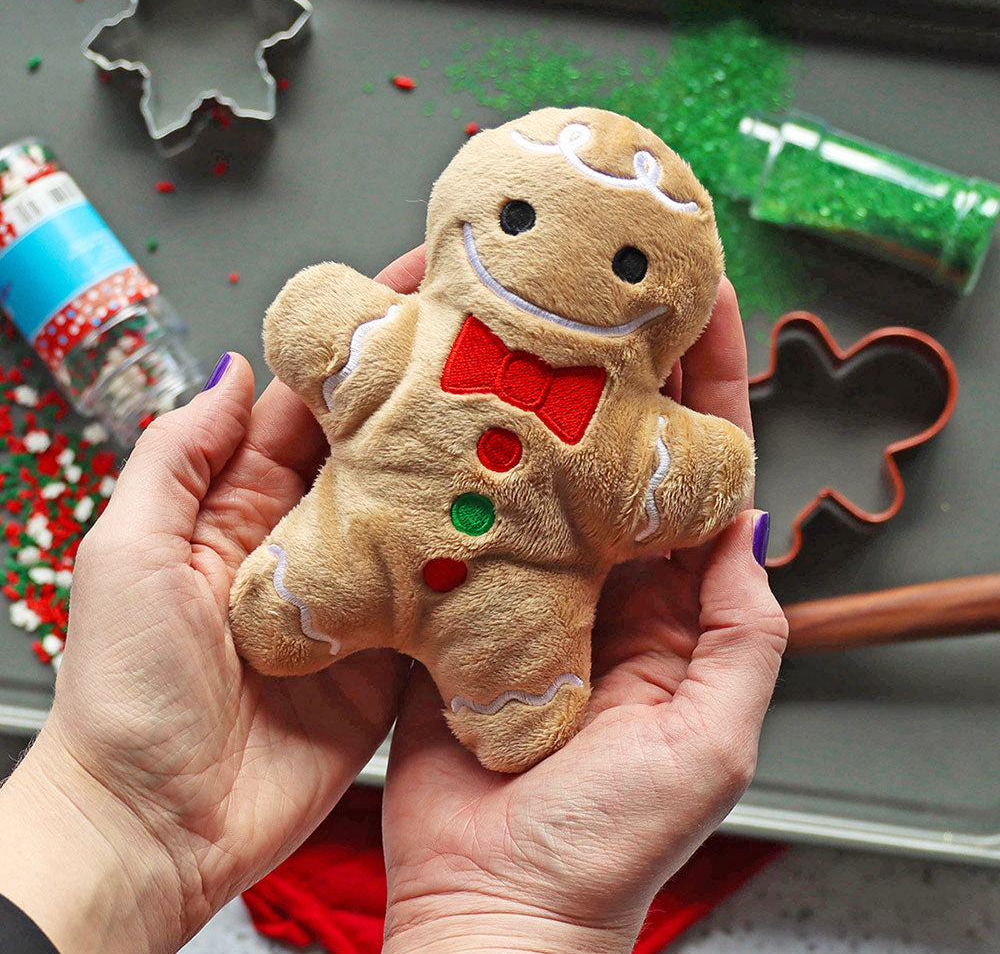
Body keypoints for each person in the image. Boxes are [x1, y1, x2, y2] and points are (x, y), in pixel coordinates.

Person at [0, 246, 786, 954]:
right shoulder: (417, 346)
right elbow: (326, 328)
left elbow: (696, 473)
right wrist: (518, 920)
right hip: (348, 557)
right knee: (291, 608)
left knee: (516, 702)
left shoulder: (616, 423)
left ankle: (497, 689)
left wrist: (109, 812)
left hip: (517, 621)